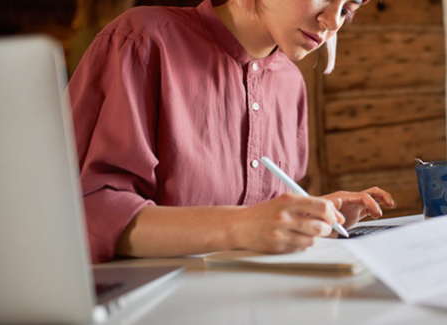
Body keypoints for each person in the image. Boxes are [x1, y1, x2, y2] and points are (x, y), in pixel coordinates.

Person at [68, 0, 396, 264]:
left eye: (347, 9)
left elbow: (260, 215)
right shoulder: (142, 39)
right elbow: (86, 212)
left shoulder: (290, 84)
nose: (334, 21)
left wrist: (309, 215)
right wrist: (240, 227)